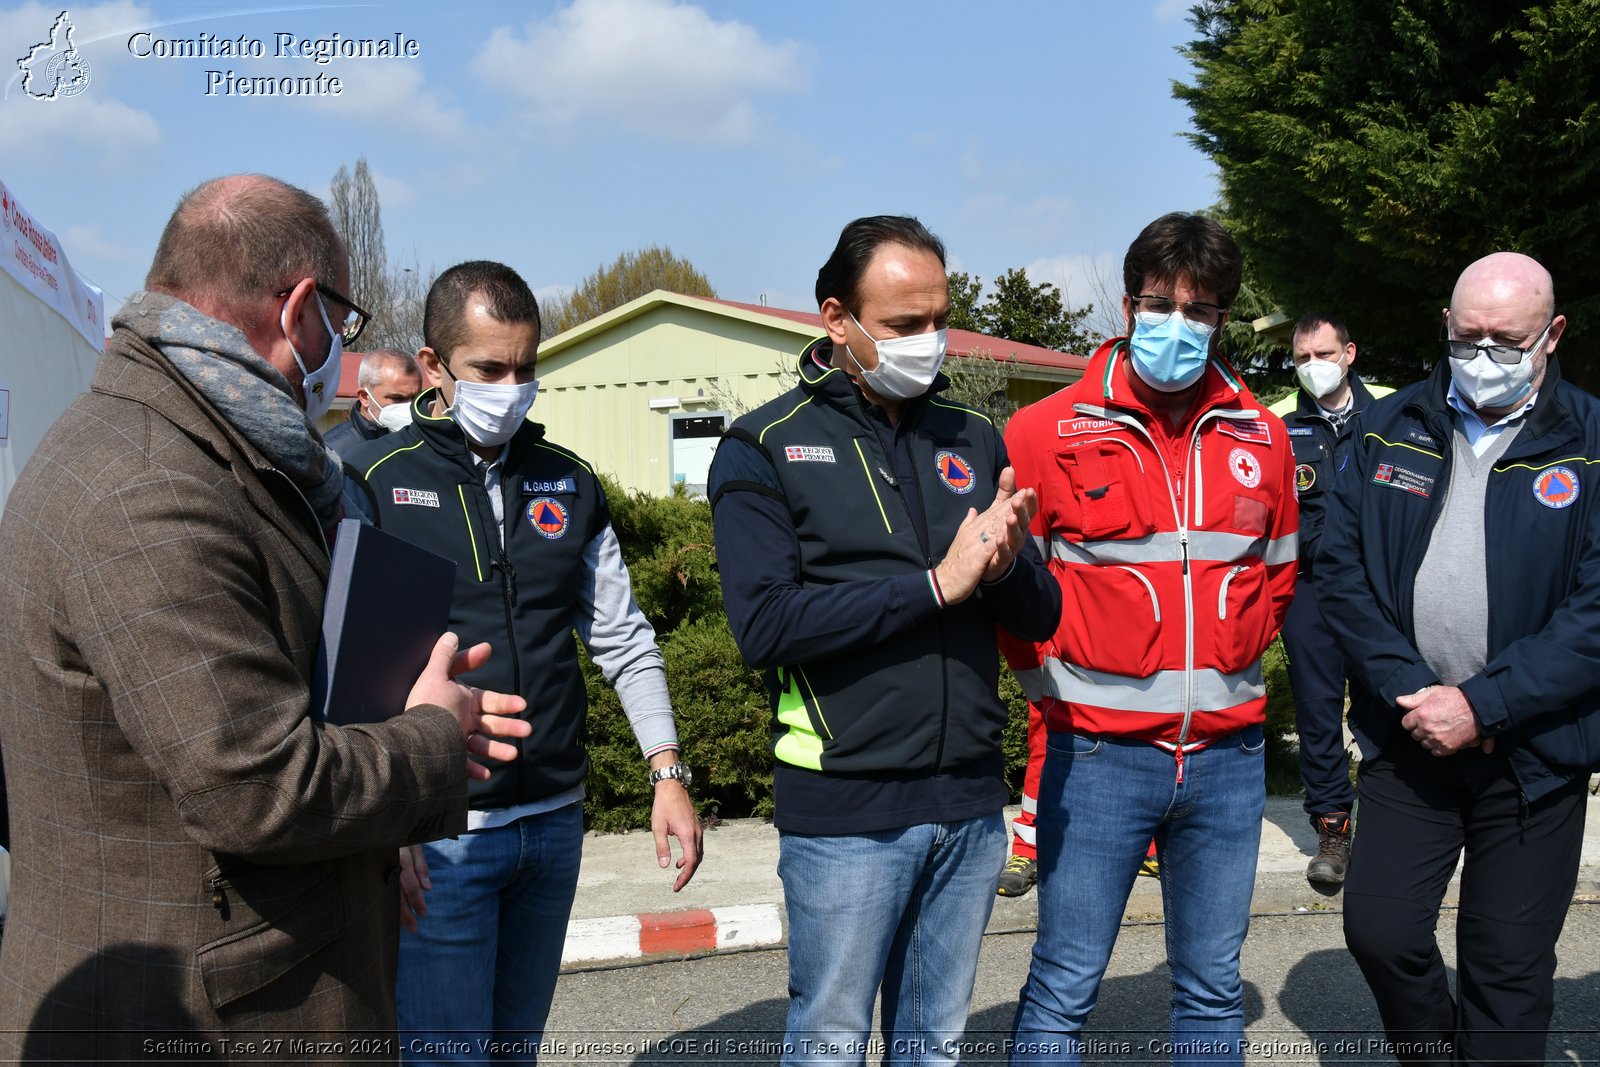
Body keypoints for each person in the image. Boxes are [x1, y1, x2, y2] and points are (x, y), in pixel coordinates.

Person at [0, 175, 530, 1061]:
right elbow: (255, 785)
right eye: (342, 322)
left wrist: (373, 822)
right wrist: (433, 732)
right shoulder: (149, 485)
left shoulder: (198, 449)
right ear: (297, 312)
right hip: (198, 1016)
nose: (339, 352)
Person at [709, 215, 1061, 1065]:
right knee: (830, 1043)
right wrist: (934, 586)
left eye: (940, 318)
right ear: (837, 318)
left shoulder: (973, 438)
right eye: (904, 324)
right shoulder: (764, 445)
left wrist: (1008, 566)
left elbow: (1041, 616)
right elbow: (766, 625)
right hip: (847, 814)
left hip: (970, 807)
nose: (929, 340)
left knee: (933, 1047)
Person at [345, 260, 702, 1062]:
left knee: (516, 1052)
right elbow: (346, 673)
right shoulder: (372, 483)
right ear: (435, 369)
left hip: (550, 824)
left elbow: (623, 636)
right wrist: (383, 820)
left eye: (527, 366)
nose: (512, 386)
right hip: (438, 836)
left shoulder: (568, 483)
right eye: (489, 369)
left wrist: (665, 768)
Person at [1002, 212, 1298, 1064]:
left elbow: (1276, 578)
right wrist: (1047, 692)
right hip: (1096, 758)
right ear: (1128, 308)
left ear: (1222, 319)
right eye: (1160, 304)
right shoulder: (1045, 430)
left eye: (1200, 310)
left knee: (1210, 987)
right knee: (1063, 984)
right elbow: (1014, 589)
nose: (1179, 323)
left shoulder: (1262, 435)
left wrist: (1223, 670)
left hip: (1229, 762)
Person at [1316, 252, 1597, 1063]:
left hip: (1535, 753)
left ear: (1553, 334)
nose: (1482, 355)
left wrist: (1484, 703)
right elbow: (1342, 574)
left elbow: (1594, 611)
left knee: (1505, 969)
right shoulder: (1388, 426)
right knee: (1379, 927)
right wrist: (1418, 694)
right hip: (1412, 738)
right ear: (1444, 326)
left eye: (1505, 340)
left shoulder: (1592, 441)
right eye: (1466, 335)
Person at [1267, 313, 1394, 888]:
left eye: (1323, 354)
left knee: (1387, 704)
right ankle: (1333, 829)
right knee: (1318, 713)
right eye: (1301, 358)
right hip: (1309, 590)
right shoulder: (1275, 424)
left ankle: (1395, 819)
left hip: (1378, 590)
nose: (1312, 367)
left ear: (1350, 353)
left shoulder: (1394, 412)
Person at [325, 347, 424, 456]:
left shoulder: (424, 440)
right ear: (365, 397)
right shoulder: (331, 453)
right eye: (397, 398)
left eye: (415, 397)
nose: (410, 407)